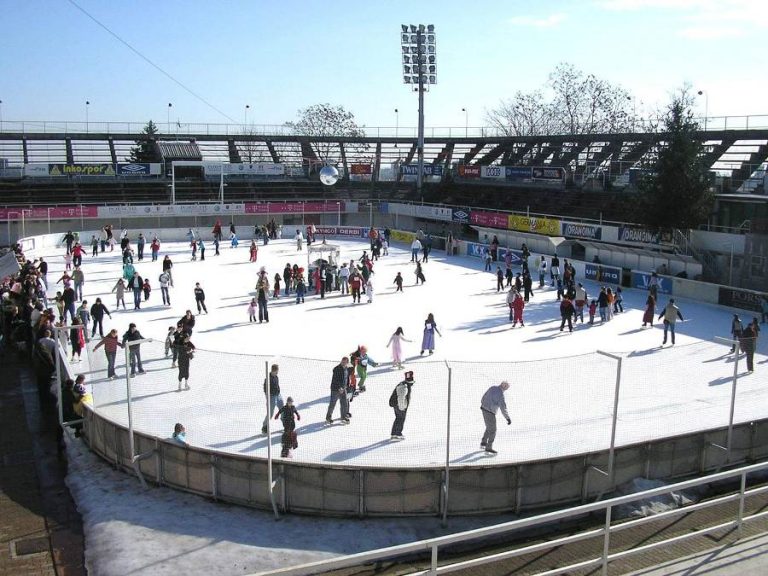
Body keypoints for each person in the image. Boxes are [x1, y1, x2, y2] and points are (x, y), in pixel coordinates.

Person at [480, 381, 511, 455]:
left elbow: (484, 396)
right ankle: (489, 447)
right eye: (506, 388)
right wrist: (508, 418)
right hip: (490, 412)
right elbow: (503, 408)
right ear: (504, 387)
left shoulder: (492, 387)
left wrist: (483, 404)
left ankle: (484, 442)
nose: (506, 389)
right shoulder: (501, 395)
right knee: (493, 430)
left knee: (489, 426)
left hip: (484, 408)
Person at [389, 370, 415, 440]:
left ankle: (394, 434)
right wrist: (402, 407)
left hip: (397, 405)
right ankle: (398, 434)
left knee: (398, 418)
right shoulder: (404, 386)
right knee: (401, 419)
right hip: (400, 405)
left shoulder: (404, 384)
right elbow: (401, 397)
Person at [325, 357, 350, 425]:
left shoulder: (346, 369)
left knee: (344, 403)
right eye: (342, 361)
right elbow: (335, 379)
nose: (343, 362)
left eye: (345, 362)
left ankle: (343, 417)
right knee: (332, 404)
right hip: (335, 389)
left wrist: (347, 386)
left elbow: (346, 378)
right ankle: (328, 418)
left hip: (343, 389)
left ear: (347, 363)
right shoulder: (337, 369)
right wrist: (339, 388)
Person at [262, 364, 283, 434]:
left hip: (278, 395)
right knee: (270, 413)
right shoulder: (268, 379)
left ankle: (286, 424)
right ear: (273, 371)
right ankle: (265, 427)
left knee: (283, 409)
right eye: (276, 371)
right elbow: (265, 389)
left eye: (278, 371)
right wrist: (268, 397)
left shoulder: (276, 377)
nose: (277, 372)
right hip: (271, 397)